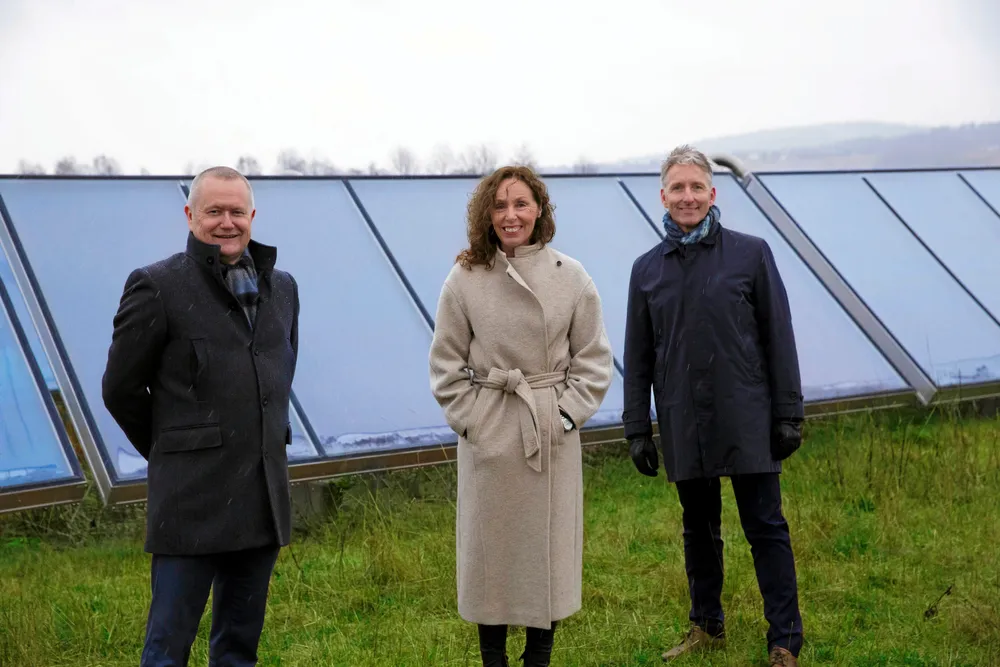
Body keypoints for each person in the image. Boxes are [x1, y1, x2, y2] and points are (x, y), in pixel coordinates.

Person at [102, 166, 300, 667]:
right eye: (214, 211)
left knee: (238, 648)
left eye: (236, 211)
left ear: (252, 216)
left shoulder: (283, 288)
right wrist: (172, 450)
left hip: (260, 499)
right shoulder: (157, 285)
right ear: (190, 215)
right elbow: (120, 389)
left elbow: (279, 373)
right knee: (167, 649)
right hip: (190, 502)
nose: (226, 222)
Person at [622, 145, 805, 666]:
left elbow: (778, 335)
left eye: (696, 187)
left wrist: (788, 413)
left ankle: (784, 640)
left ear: (712, 192)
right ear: (663, 196)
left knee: (765, 526)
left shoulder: (751, 254)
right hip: (684, 417)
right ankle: (706, 626)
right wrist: (637, 428)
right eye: (677, 188)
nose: (688, 196)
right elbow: (638, 354)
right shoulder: (646, 270)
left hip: (747, 414)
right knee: (698, 529)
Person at [429, 165, 614, 667]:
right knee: (490, 559)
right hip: (490, 431)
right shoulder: (464, 278)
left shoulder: (571, 276)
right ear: (486, 215)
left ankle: (538, 659)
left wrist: (564, 417)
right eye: (500, 205)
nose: (510, 215)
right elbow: (445, 363)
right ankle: (493, 660)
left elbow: (594, 360)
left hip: (548, 433)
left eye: (521, 204)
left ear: (539, 210)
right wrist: (473, 422)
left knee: (544, 559)